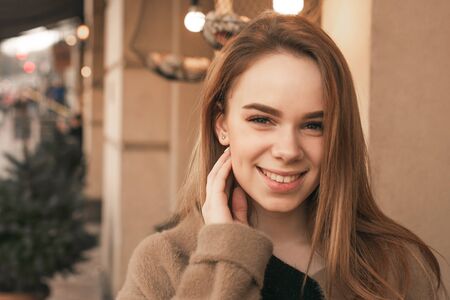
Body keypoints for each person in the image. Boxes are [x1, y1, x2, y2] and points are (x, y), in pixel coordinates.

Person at [117, 12, 448, 300]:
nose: (288, 150)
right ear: (222, 126)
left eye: (314, 125)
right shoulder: (161, 263)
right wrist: (224, 255)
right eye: (262, 120)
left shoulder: (395, 266)